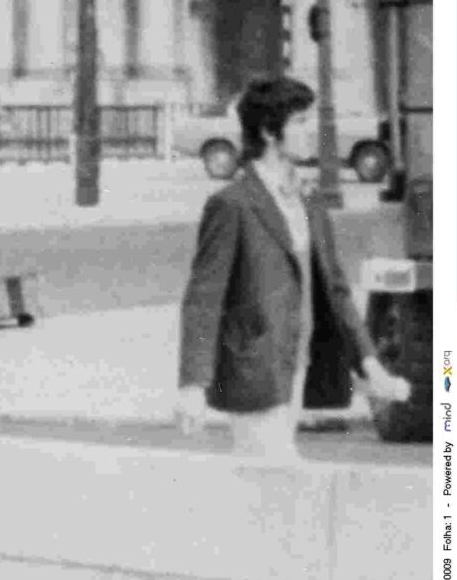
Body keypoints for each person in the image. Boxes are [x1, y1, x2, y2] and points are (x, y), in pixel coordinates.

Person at [175, 75, 413, 460]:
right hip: (255, 370)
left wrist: (372, 365)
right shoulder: (232, 204)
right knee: (275, 481)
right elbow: (203, 300)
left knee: (269, 491)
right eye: (300, 122)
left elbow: (336, 290)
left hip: (300, 365)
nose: (310, 132)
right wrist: (192, 384)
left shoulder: (308, 200)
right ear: (270, 132)